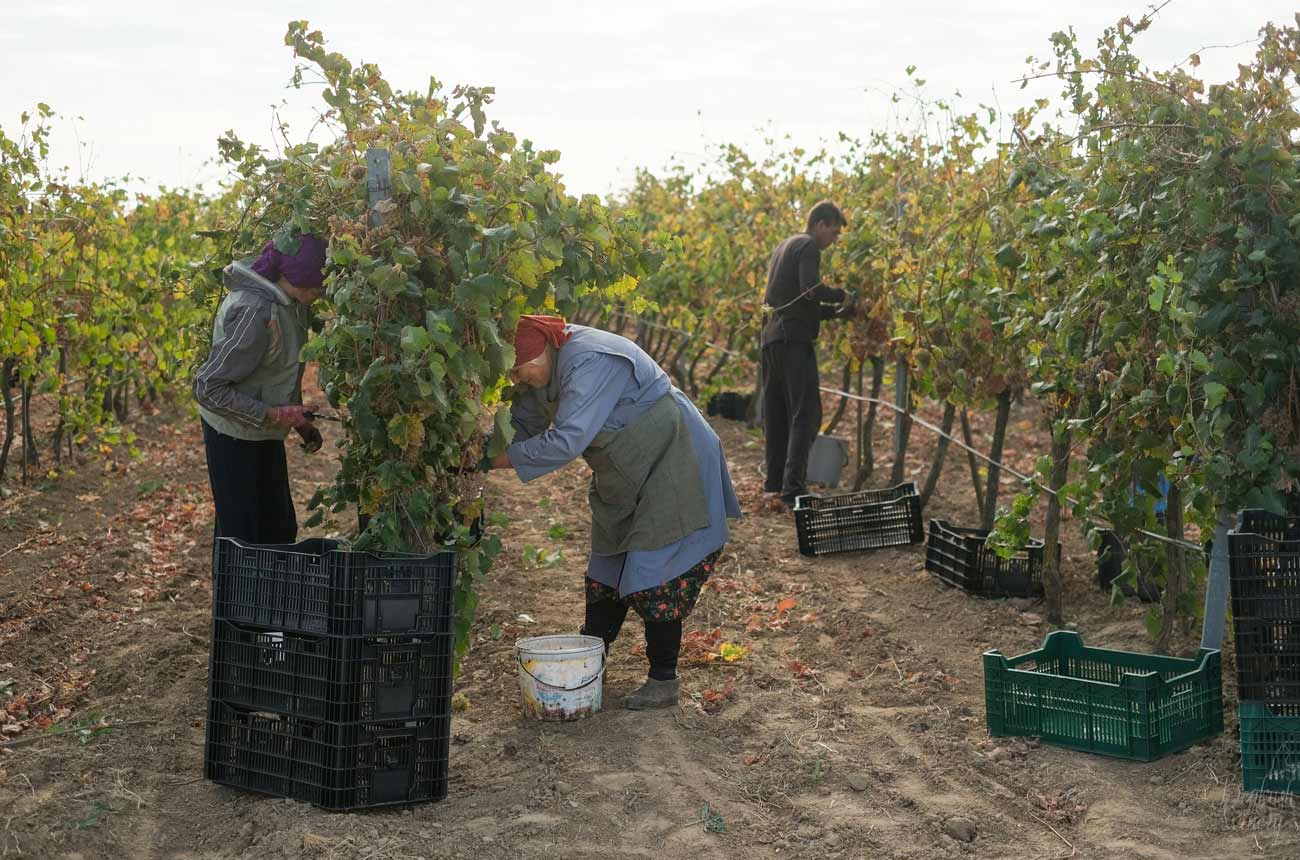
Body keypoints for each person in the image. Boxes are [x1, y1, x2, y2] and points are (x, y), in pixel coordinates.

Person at [489, 315, 741, 710]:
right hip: (622, 470)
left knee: (660, 566)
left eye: (520, 368)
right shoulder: (539, 371)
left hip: (673, 459)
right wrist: (478, 449)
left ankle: (663, 680)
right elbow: (524, 424)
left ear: (541, 350)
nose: (518, 378)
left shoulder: (590, 358)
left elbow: (567, 440)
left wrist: (491, 463)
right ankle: (589, 662)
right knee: (607, 563)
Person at [192, 234, 328, 544]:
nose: (321, 291)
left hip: (262, 429)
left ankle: (269, 593)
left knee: (278, 530)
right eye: (317, 283)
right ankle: (237, 595)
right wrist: (273, 413)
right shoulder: (255, 311)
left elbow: (277, 371)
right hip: (233, 437)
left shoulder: (292, 303)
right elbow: (207, 388)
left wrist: (299, 421)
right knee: (244, 538)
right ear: (299, 276)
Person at [759, 201, 856, 509]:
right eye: (834, 231)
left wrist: (842, 313)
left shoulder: (784, 246)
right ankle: (793, 490)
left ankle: (774, 484)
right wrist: (844, 296)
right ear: (820, 224)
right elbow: (810, 290)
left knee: (777, 414)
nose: (834, 240)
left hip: (772, 338)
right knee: (807, 413)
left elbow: (800, 302)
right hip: (792, 341)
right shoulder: (809, 246)